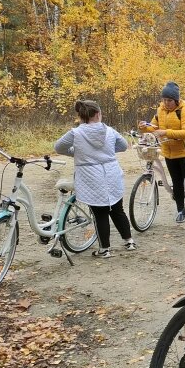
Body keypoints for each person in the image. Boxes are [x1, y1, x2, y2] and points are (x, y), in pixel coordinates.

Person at [54, 100, 135, 258]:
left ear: (81, 116)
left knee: (100, 214)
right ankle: (129, 241)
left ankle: (105, 249)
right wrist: (108, 152)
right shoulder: (109, 131)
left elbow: (58, 147)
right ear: (98, 114)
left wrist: (77, 152)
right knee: (118, 210)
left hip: (90, 176)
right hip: (111, 173)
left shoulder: (75, 133)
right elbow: (124, 146)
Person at [138, 81, 185, 223]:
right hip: (169, 154)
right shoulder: (160, 110)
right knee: (177, 182)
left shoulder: (184, 110)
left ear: (176, 99)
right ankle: (181, 210)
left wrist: (166, 132)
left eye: (169, 100)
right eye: (164, 100)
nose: (166, 103)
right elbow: (154, 127)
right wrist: (144, 127)